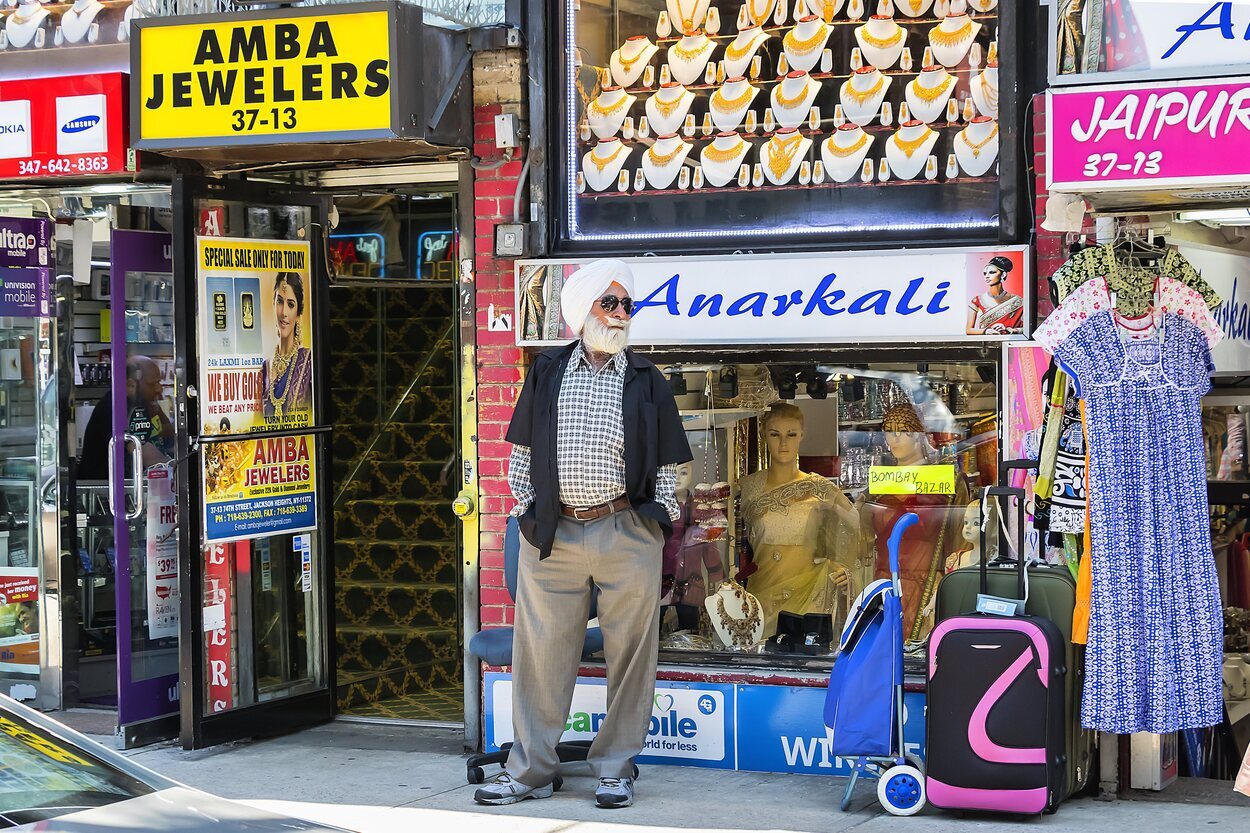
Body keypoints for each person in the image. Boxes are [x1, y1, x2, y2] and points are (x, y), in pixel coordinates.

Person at [474, 259, 692, 810]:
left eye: (627, 306)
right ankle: (529, 770)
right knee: (539, 654)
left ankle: (616, 767)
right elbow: (520, 452)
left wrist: (655, 521)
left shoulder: (647, 380)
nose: (620, 315)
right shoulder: (547, 371)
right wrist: (526, 510)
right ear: (582, 312)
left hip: (625, 529)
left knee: (632, 655)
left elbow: (671, 463)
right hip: (554, 531)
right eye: (610, 303)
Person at [739, 403, 860, 639]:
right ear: (764, 435)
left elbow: (857, 528)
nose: (783, 443)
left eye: (791, 434)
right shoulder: (747, 488)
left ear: (801, 436)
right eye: (775, 434)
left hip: (809, 597)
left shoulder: (820, 488)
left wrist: (843, 570)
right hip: (760, 598)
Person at [78, 355, 173, 480]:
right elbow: (153, 460)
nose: (159, 389)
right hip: (110, 494)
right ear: (130, 385)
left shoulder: (144, 405)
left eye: (159, 383)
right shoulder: (117, 408)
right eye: (153, 384)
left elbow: (169, 441)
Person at [260, 272, 313, 423]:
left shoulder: (308, 362)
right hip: (269, 446)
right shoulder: (266, 367)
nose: (284, 313)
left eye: (290, 304)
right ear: (273, 304)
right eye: (279, 302)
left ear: (298, 313)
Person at [966, 255, 1024, 335]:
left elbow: (1027, 330)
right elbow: (969, 330)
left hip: (1010, 344)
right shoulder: (977, 300)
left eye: (992, 272)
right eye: (985, 273)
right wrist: (985, 331)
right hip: (985, 344)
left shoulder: (1017, 301)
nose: (987, 276)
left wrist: (1009, 330)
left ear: (1003, 275)